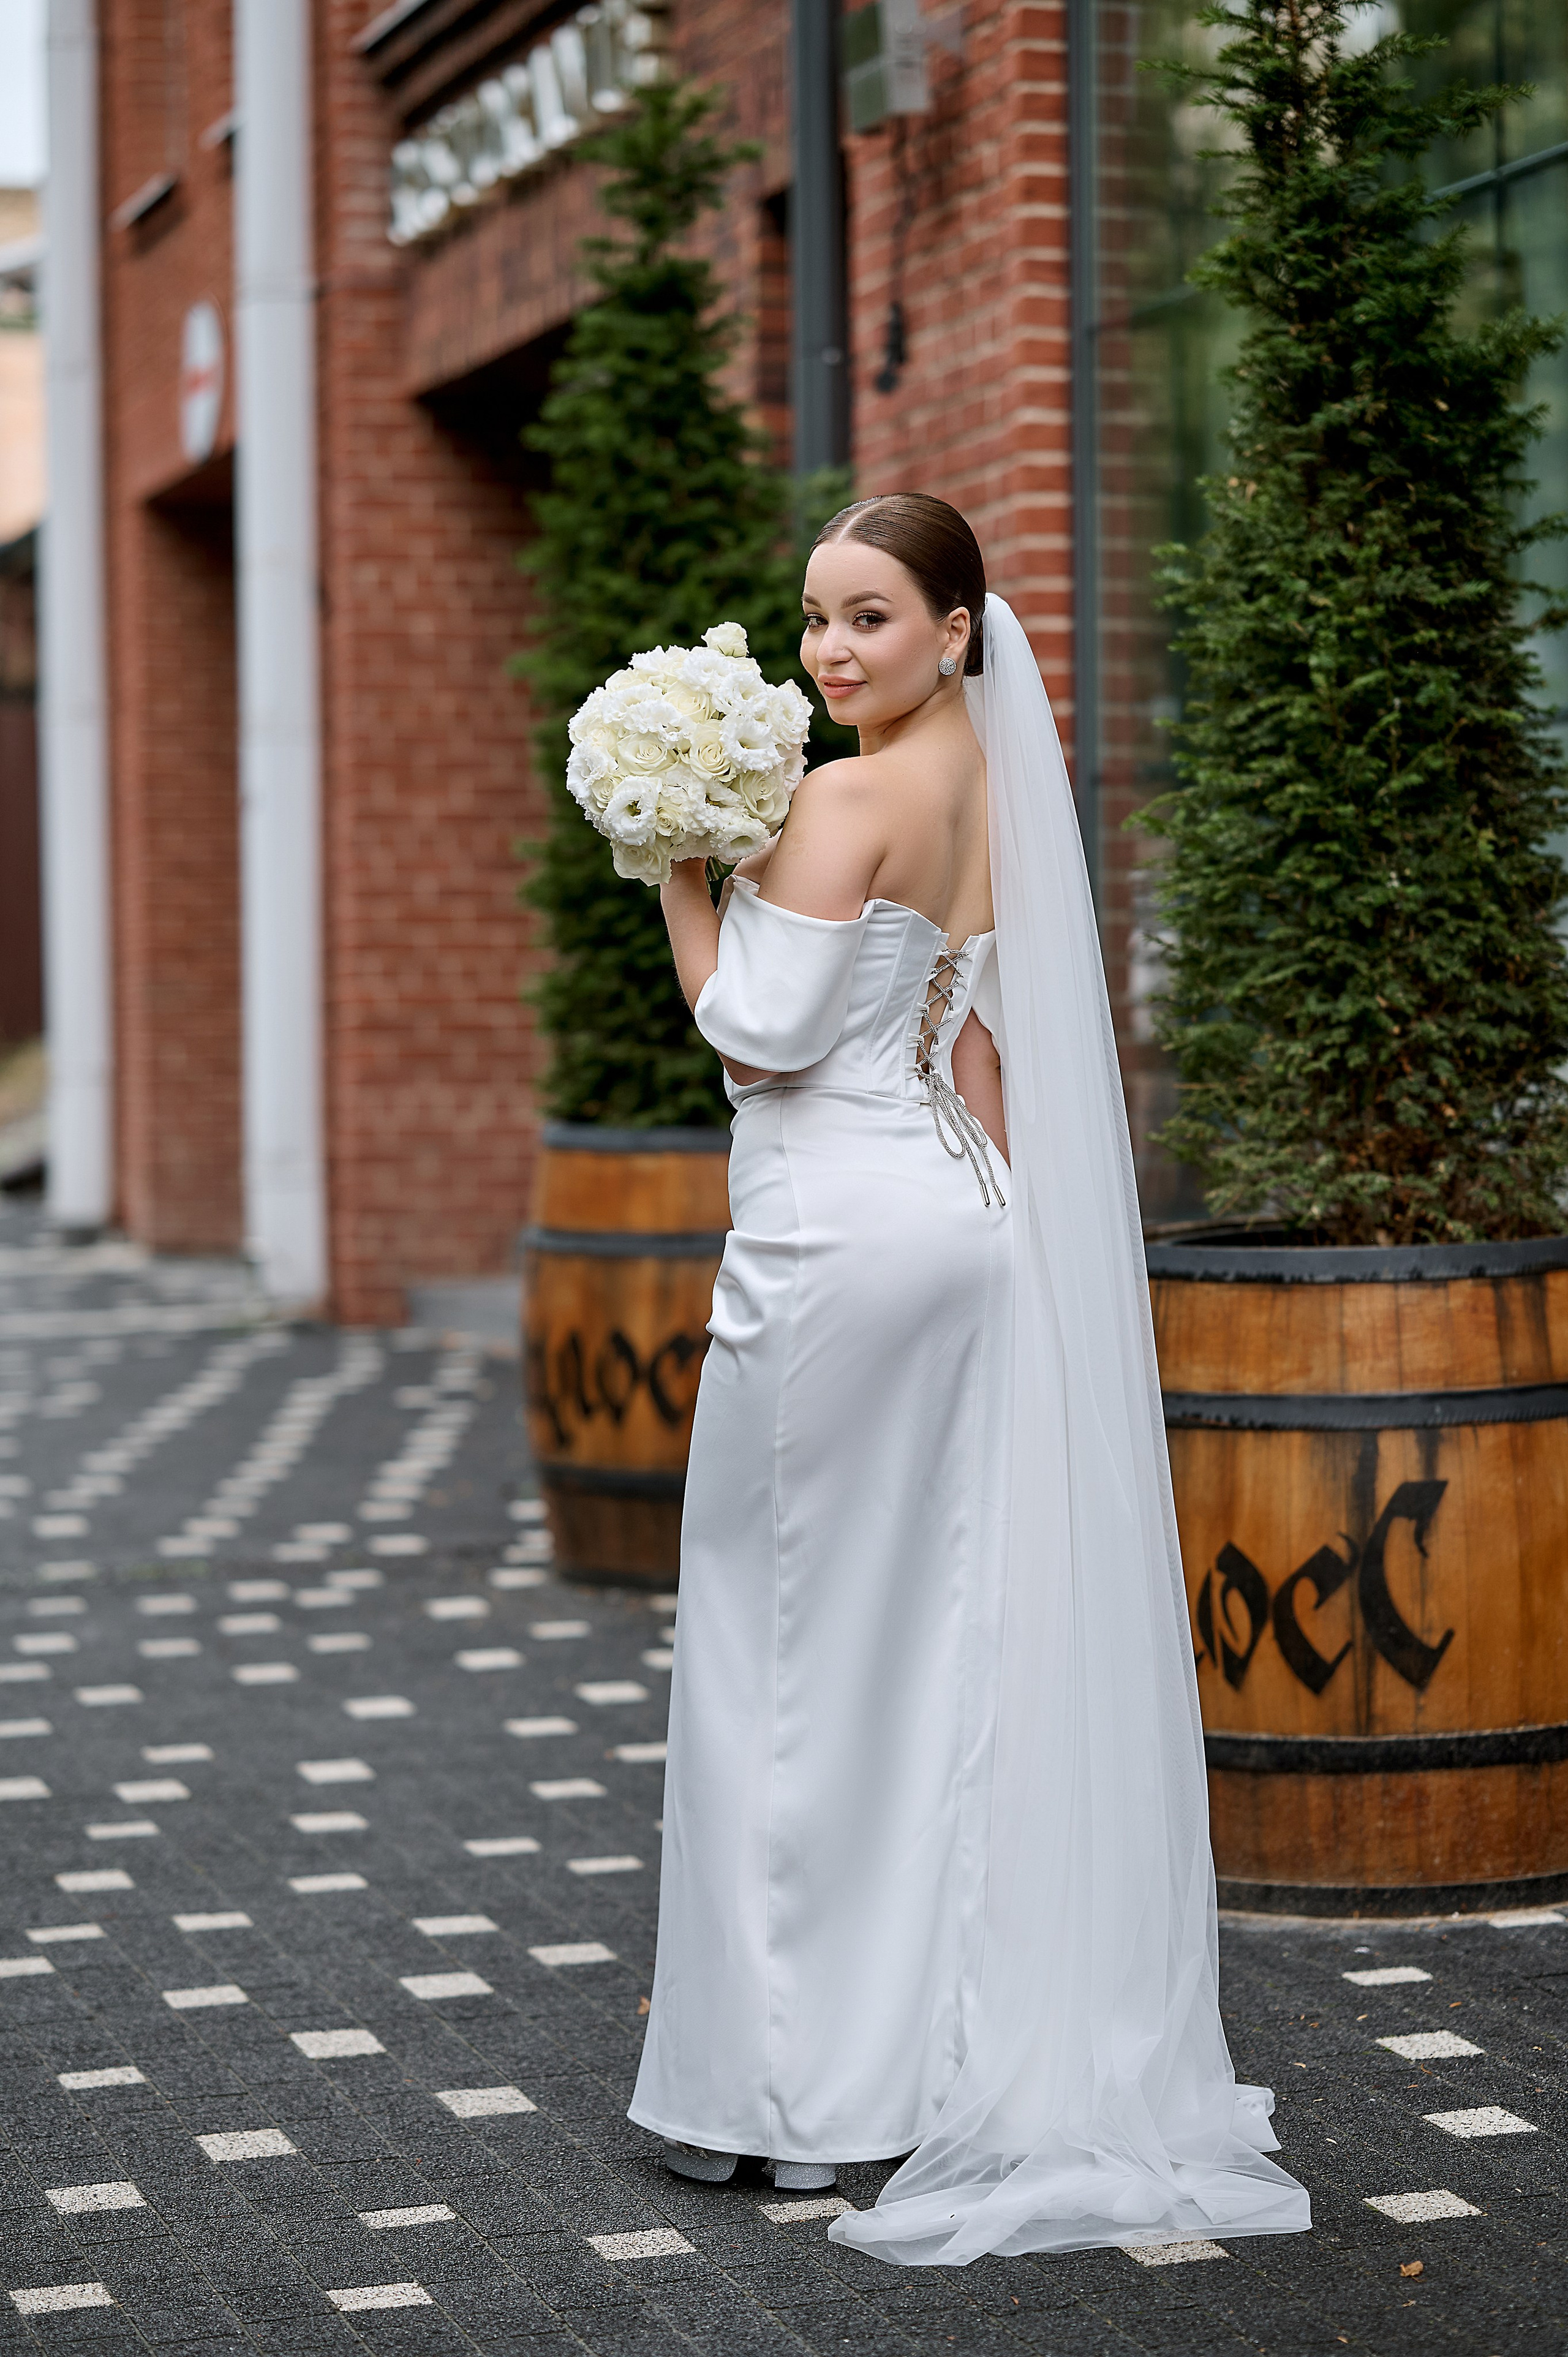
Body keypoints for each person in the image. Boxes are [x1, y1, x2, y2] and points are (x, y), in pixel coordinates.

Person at [628, 494, 1311, 2265]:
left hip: (833, 1247)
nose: (832, 651)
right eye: (813, 620)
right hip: (960, 1225)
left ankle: (787, 2104)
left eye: (869, 617)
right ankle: (924, 2055)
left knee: (780, 1644)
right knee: (925, 1643)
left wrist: (677, 878)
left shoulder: (848, 799)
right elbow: (993, 1046)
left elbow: (754, 1041)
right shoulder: (999, 797)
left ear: (955, 629)